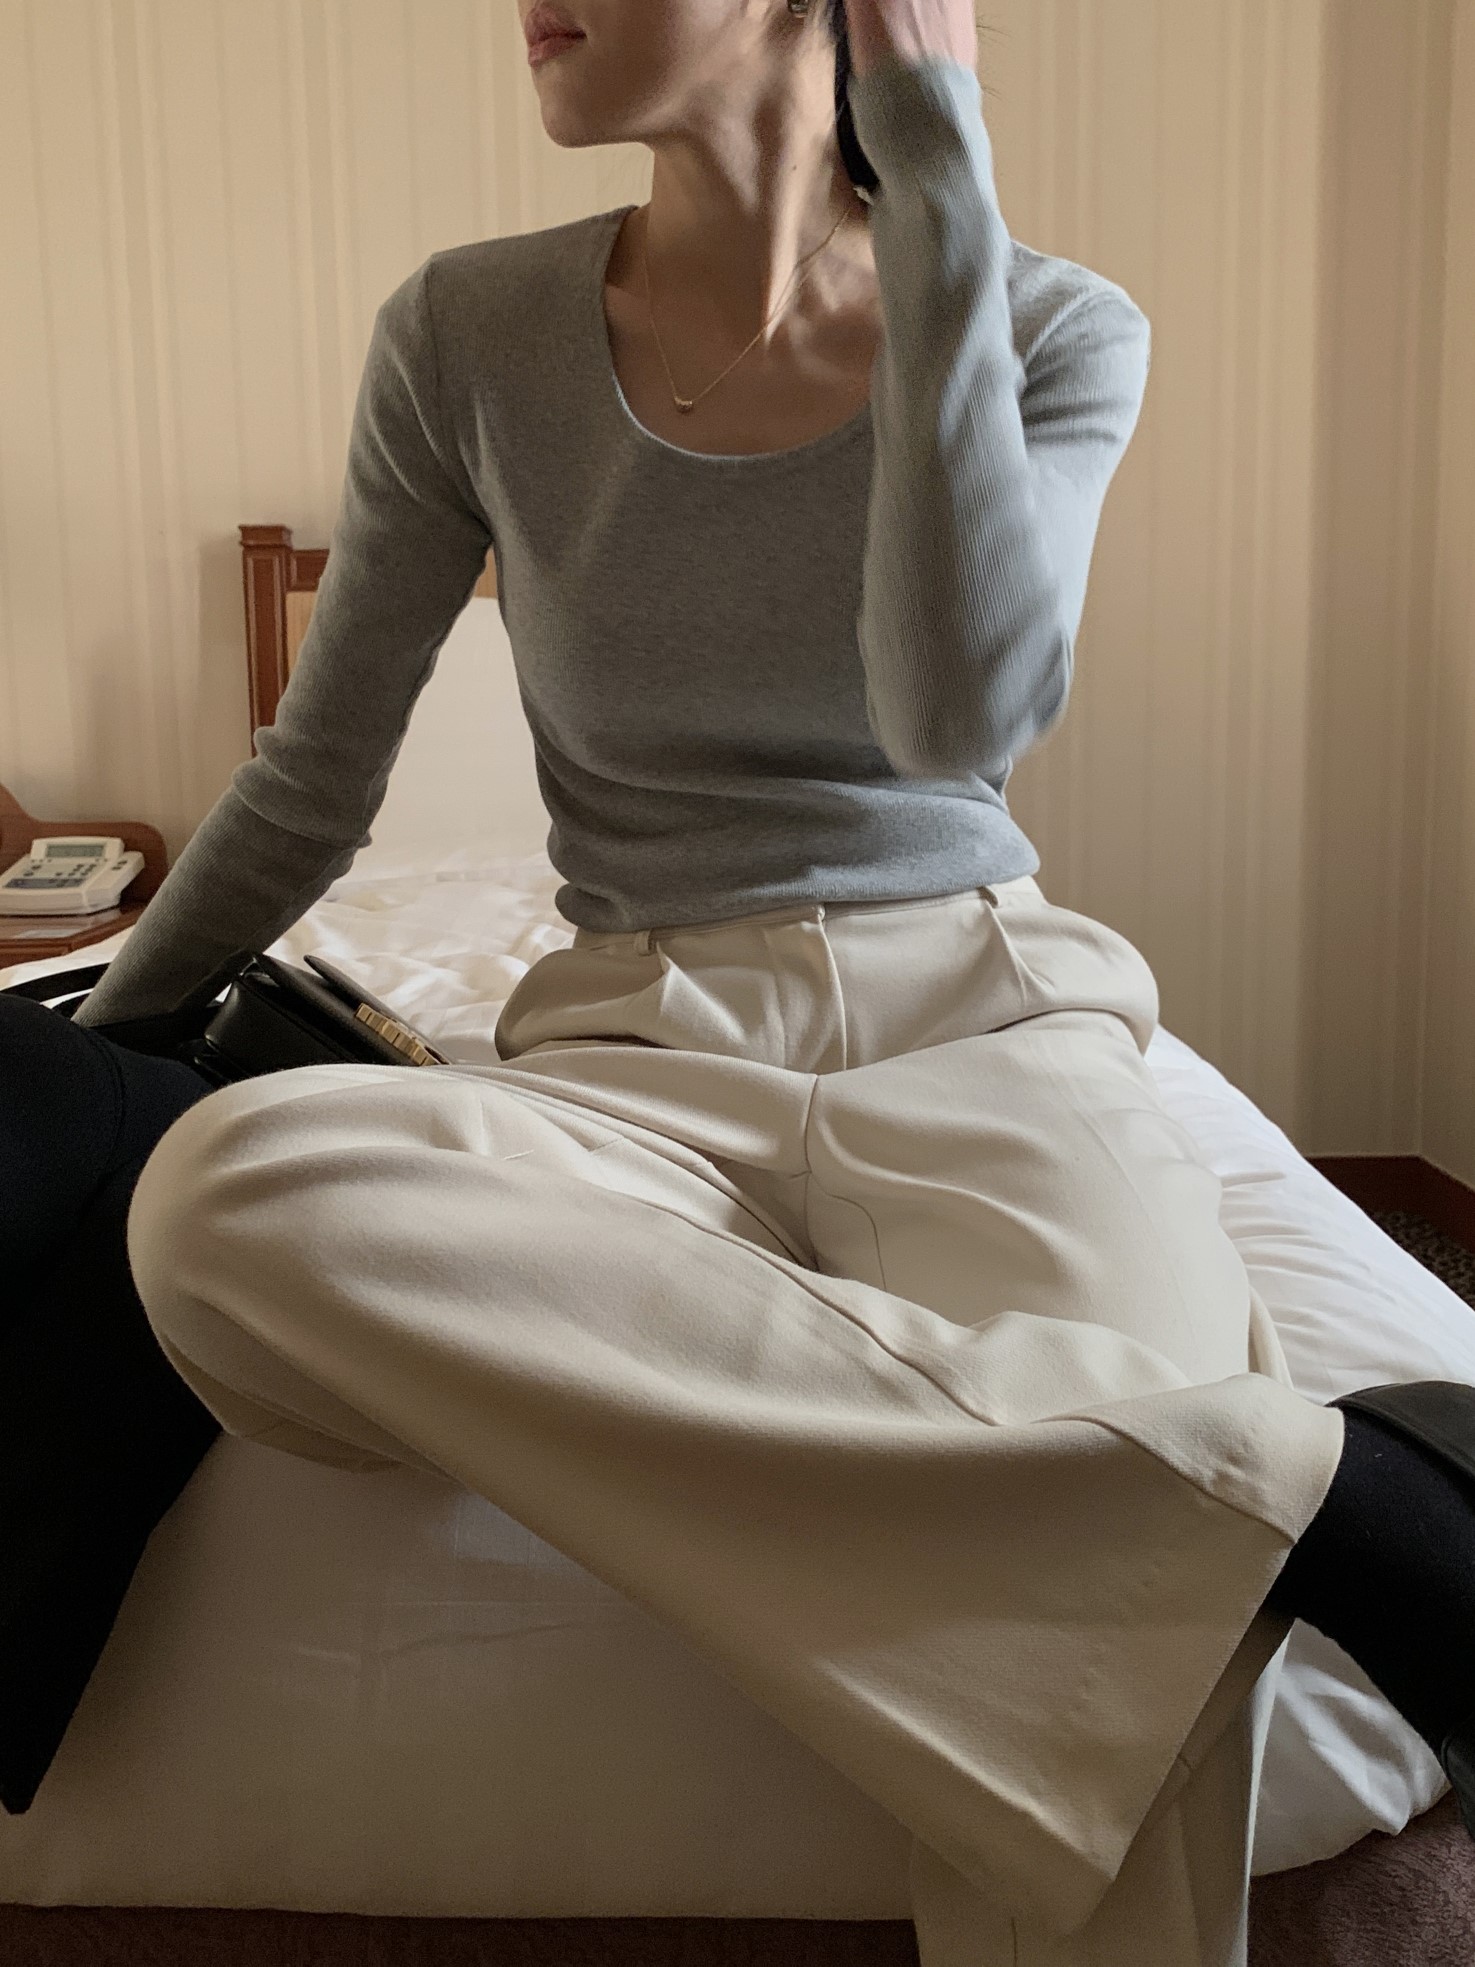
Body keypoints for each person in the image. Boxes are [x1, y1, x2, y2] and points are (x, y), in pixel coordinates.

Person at [8, 0, 1473, 1959]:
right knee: (220, 1200)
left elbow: (955, 712)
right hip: (630, 1044)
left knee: (1126, 1596)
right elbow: (311, 785)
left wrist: (939, 179)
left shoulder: (1051, 324)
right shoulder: (466, 333)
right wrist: (74, 1070)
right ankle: (1303, 1488)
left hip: (986, 1021)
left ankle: (1219, 1492)